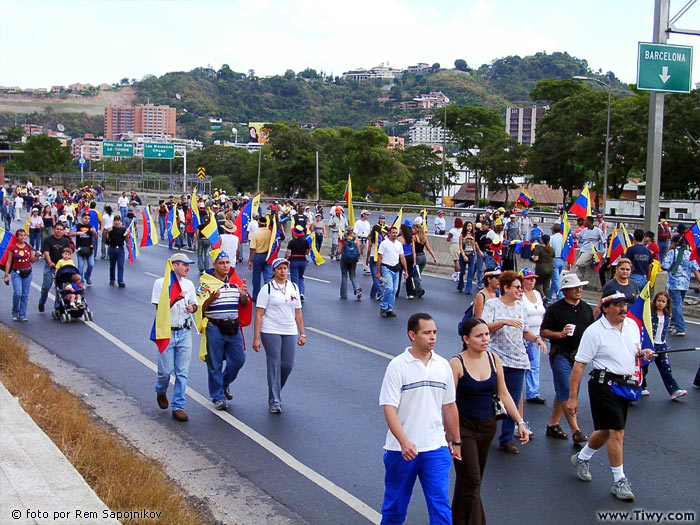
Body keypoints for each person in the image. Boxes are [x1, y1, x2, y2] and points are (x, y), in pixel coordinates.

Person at [568, 292, 655, 501]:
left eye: (624, 305)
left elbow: (632, 351)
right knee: (617, 431)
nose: (623, 309)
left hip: (624, 385)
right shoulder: (594, 332)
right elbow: (579, 365)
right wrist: (573, 397)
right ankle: (619, 481)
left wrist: (643, 354)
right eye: (617, 305)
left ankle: (582, 458)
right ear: (605, 308)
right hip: (603, 385)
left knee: (606, 431)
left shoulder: (632, 326)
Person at [379, 312, 461, 525]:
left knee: (440, 506)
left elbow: (450, 406)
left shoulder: (443, 365)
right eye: (427, 333)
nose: (433, 337)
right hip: (402, 451)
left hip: (436, 448)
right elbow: (389, 409)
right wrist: (404, 442)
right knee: (395, 507)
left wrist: (455, 441)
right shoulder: (398, 366)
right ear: (412, 335)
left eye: (434, 332)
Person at [450, 317, 529, 525]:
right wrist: (452, 436)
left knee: (470, 482)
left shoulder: (494, 360)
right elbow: (448, 403)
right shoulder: (456, 364)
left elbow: (504, 394)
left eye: (487, 334)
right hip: (463, 428)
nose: (485, 339)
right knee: (472, 480)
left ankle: (457, 519)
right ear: (466, 339)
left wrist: (520, 422)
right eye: (479, 336)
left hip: (487, 427)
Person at [480, 271, 546, 453]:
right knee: (491, 399)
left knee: (513, 400)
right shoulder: (492, 305)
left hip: (518, 359)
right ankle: (484, 434)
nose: (520, 290)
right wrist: (503, 322)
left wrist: (536, 339)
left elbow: (525, 331)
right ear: (506, 288)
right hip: (496, 358)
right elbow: (484, 327)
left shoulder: (521, 307)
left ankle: (506, 440)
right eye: (517, 287)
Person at [539, 273, 593, 446]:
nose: (579, 290)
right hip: (561, 354)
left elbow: (592, 331)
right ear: (565, 291)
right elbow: (543, 332)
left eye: (580, 287)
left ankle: (553, 424)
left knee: (567, 391)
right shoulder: (555, 309)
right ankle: (575, 430)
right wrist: (560, 334)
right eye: (575, 288)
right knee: (567, 391)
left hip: (579, 357)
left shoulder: (586, 308)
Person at [200, 249, 251, 410]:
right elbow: (200, 306)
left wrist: (243, 295)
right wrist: (211, 298)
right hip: (214, 327)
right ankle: (217, 397)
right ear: (214, 265)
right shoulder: (206, 283)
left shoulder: (234, 281)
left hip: (233, 327)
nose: (225, 266)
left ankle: (224, 382)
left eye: (227, 262)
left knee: (239, 359)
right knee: (214, 363)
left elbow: (243, 304)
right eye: (221, 263)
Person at [253, 258, 305, 413]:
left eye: (285, 268)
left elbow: (298, 312)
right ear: (274, 271)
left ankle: (276, 389)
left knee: (288, 364)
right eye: (279, 269)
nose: (283, 271)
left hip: (289, 329)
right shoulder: (267, 289)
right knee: (274, 363)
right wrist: (256, 338)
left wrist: (303, 333)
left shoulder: (293, 287)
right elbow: (259, 315)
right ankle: (274, 400)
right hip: (270, 329)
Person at [151, 253, 198, 422]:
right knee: (165, 371)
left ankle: (178, 405)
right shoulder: (161, 283)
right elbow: (159, 308)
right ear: (174, 265)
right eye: (184, 265)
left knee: (182, 372)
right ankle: (161, 389)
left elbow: (195, 305)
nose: (187, 268)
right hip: (167, 331)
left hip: (184, 330)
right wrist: (174, 300)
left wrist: (192, 308)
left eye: (188, 265)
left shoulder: (189, 284)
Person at [640, 291, 687, 400]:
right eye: (658, 301)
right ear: (654, 301)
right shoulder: (650, 314)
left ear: (667, 303)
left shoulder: (666, 314)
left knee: (666, 369)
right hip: (650, 346)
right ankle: (640, 386)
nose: (660, 303)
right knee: (644, 368)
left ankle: (674, 390)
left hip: (661, 346)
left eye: (663, 301)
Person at [662, 234, 700, 337]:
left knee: (675, 305)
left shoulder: (672, 253)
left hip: (674, 283)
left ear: (674, 243)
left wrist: (667, 251)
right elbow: (695, 269)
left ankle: (680, 327)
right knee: (678, 304)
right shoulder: (689, 254)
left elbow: (664, 266)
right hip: (685, 284)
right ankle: (673, 324)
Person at [520, 268, 547, 406]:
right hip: (523, 336)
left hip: (536, 334)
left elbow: (541, 313)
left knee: (534, 365)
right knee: (521, 365)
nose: (532, 281)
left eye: (533, 278)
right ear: (522, 280)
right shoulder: (520, 296)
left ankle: (533, 392)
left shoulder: (537, 293)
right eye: (529, 278)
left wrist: (541, 331)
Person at [3, 229, 39, 321]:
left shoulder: (28, 247)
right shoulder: (12, 248)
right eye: (21, 236)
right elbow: (8, 262)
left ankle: (22, 314)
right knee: (18, 293)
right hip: (16, 273)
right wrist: (6, 275)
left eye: (24, 235)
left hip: (27, 272)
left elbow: (32, 260)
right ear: (17, 237)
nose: (23, 237)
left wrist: (37, 256)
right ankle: (15, 312)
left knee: (25, 295)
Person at [37, 222, 72, 313]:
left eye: (61, 229)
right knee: (46, 285)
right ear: (53, 230)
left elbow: (69, 253)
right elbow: (46, 253)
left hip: (61, 267)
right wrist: (50, 262)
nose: (59, 231)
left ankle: (57, 306)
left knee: (60, 287)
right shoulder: (48, 240)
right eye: (57, 229)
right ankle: (42, 302)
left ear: (63, 231)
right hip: (50, 266)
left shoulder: (65, 241)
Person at [376, 226, 408, 318]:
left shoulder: (399, 244)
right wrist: (378, 272)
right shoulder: (384, 244)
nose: (394, 234)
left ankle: (389, 309)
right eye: (393, 233)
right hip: (386, 269)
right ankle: (383, 307)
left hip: (396, 269)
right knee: (388, 288)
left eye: (396, 233)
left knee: (394, 290)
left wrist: (406, 271)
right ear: (389, 233)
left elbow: (402, 257)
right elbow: (380, 257)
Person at [248, 216, 272, 301]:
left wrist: (250, 260)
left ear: (259, 224)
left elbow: (253, 249)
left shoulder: (256, 233)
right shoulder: (270, 232)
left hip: (258, 255)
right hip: (268, 255)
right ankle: (269, 294)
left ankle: (256, 295)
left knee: (256, 277)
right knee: (268, 276)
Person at [412, 219, 437, 298]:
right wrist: (434, 257)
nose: (412, 230)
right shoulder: (424, 237)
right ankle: (416, 289)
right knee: (419, 275)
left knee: (415, 275)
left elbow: (413, 251)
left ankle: (419, 289)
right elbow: (429, 248)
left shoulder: (414, 237)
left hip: (418, 257)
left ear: (416, 230)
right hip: (423, 257)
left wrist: (414, 261)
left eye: (413, 229)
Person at [71, 213, 97, 286]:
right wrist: (77, 233)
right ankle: (81, 281)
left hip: (89, 248)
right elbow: (71, 234)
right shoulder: (77, 226)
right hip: (80, 248)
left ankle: (87, 276)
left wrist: (94, 232)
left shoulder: (91, 226)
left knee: (91, 264)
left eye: (88, 219)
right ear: (82, 218)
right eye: (85, 218)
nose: (87, 220)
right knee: (80, 265)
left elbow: (96, 237)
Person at [285, 225, 310, 301]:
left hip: (294, 260)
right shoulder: (306, 242)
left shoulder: (292, 242)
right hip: (303, 260)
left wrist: (285, 259)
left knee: (294, 277)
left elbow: (287, 253)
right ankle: (301, 292)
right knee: (301, 277)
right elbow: (307, 252)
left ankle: (296, 292)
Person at [338, 227, 362, 300]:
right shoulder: (355, 239)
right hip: (353, 260)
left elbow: (339, 251)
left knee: (344, 276)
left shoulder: (343, 239)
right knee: (353, 275)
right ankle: (357, 288)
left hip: (345, 259)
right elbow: (359, 251)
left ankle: (344, 294)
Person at [367, 218, 387, 302]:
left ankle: (380, 292)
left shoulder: (371, 237)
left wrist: (367, 259)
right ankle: (372, 294)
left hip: (372, 257)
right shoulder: (382, 238)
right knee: (378, 276)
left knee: (375, 276)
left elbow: (369, 249)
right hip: (380, 258)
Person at [532, 233, 555, 301]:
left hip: (541, 268)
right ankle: (547, 299)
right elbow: (553, 260)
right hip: (551, 268)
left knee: (537, 283)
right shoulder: (551, 249)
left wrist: (533, 257)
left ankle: (542, 296)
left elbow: (536, 258)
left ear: (542, 240)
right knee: (546, 285)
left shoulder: (539, 248)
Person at [106, 215, 127, 287]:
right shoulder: (110, 230)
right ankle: (112, 278)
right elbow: (106, 241)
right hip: (112, 248)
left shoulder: (123, 230)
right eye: (115, 221)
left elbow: (126, 240)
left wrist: (128, 235)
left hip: (120, 249)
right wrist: (107, 233)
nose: (117, 222)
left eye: (118, 221)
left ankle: (120, 280)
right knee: (112, 265)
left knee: (120, 265)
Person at [457, 221, 476, 295]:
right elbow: (460, 246)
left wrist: (475, 256)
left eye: (471, 226)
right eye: (468, 226)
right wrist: (464, 255)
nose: (469, 228)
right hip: (464, 254)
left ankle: (468, 289)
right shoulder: (462, 235)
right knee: (462, 272)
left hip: (471, 254)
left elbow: (474, 246)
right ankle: (460, 285)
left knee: (470, 273)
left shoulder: (473, 235)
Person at [399, 222, 416, 299]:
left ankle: (396, 292)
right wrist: (414, 261)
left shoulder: (399, 239)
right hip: (410, 257)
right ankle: (410, 293)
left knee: (398, 276)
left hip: (402, 257)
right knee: (408, 275)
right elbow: (413, 251)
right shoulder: (411, 239)